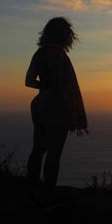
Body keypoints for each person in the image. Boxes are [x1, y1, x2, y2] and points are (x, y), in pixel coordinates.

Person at [25, 17, 88, 198]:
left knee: (38, 148)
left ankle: (31, 188)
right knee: (54, 153)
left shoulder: (40, 53)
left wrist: (45, 88)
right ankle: (48, 194)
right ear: (65, 36)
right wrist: (69, 111)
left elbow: (28, 81)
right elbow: (63, 88)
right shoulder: (60, 55)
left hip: (39, 104)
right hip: (56, 105)